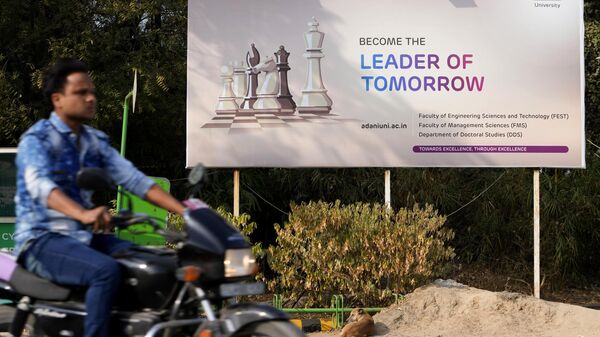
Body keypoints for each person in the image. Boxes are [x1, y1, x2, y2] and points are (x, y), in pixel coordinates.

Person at [13, 58, 185, 337]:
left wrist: (187, 211)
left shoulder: (95, 142)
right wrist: (84, 213)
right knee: (105, 272)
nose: (91, 97)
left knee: (157, 265)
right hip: (41, 239)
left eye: (92, 91)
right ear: (58, 99)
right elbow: (41, 186)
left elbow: (134, 180)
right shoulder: (37, 140)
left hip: (84, 238)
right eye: (81, 93)